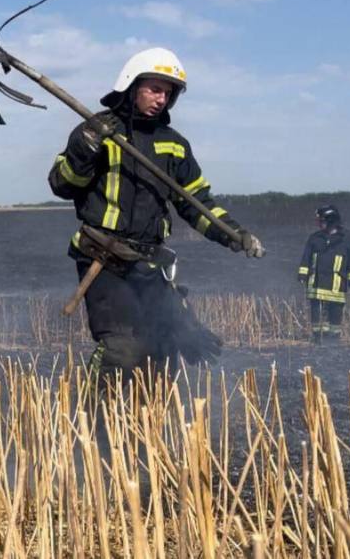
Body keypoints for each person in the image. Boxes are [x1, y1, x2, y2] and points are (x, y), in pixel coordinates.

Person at [47, 47, 265, 380]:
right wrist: (83, 150)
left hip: (149, 265)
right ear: (132, 86)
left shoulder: (174, 144)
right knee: (123, 349)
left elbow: (196, 201)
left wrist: (233, 233)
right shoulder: (97, 131)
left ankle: (147, 424)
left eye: (169, 93)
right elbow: (62, 184)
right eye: (155, 89)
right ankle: (94, 421)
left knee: (164, 347)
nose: (162, 99)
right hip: (103, 259)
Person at [298, 205, 350, 342]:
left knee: (335, 312)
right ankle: (318, 337)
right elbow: (306, 258)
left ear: (331, 221)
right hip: (316, 283)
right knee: (317, 311)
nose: (319, 224)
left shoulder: (348, 238)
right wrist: (302, 274)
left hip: (337, 284)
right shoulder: (314, 238)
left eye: (322, 221)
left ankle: (333, 339)